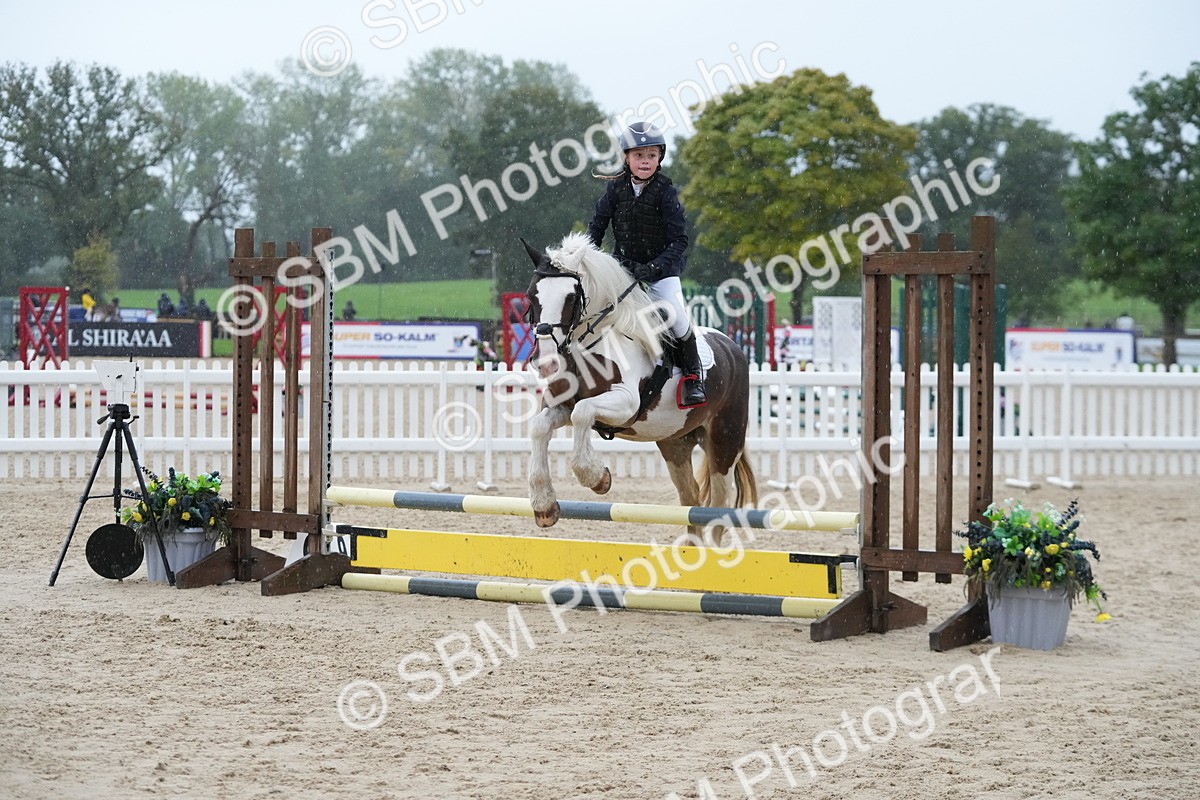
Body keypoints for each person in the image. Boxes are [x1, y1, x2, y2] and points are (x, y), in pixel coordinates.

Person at [587, 121, 705, 408]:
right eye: (639, 155)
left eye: (651, 156)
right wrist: (588, 259)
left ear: (659, 158)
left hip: (660, 275)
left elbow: (679, 241)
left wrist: (653, 268)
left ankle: (693, 378)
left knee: (676, 318)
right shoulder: (615, 190)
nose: (645, 161)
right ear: (626, 158)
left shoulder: (666, 192)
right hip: (623, 273)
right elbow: (596, 228)